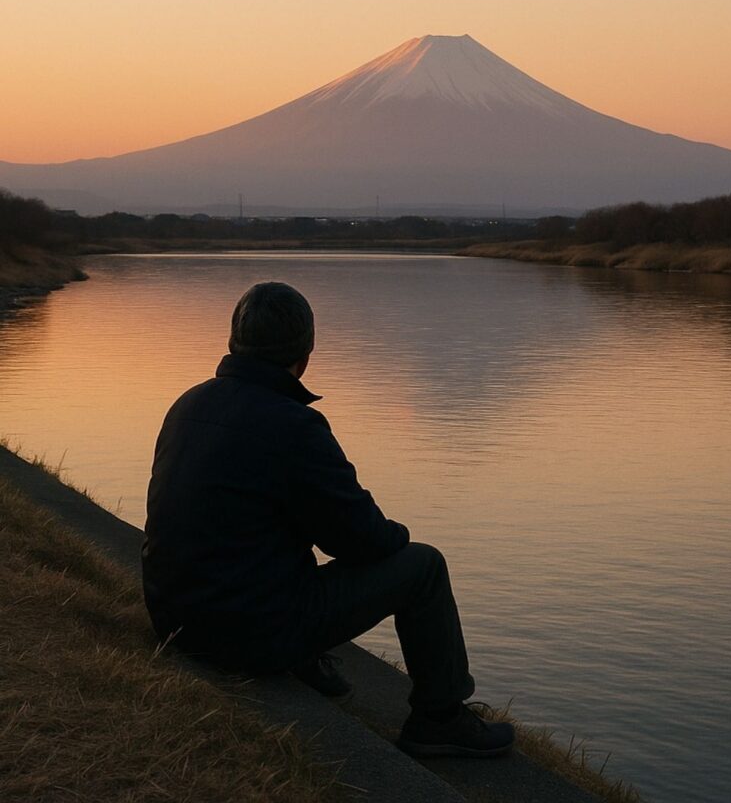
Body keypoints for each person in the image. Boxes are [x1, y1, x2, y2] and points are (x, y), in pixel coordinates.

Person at [142, 281, 514, 757]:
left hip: (173, 618)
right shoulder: (293, 424)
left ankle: (305, 658)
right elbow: (358, 539)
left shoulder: (188, 404)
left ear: (234, 343)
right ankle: (439, 719)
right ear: (305, 353)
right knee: (423, 567)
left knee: (257, 532)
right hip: (243, 635)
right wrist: (398, 535)